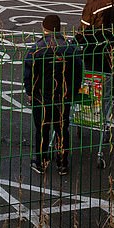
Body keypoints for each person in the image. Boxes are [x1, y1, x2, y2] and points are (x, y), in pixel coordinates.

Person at [23, 15, 83, 176]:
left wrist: (30, 92)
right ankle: (62, 163)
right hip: (63, 96)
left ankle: (41, 162)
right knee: (62, 129)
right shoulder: (69, 48)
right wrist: (73, 91)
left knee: (42, 130)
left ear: (44, 28)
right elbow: (78, 72)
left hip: (41, 96)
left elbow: (29, 73)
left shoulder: (37, 48)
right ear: (59, 28)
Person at [77, 0, 114, 101]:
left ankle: (94, 97)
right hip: (108, 41)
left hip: (93, 43)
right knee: (107, 69)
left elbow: (84, 26)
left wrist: (76, 41)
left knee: (91, 71)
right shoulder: (113, 1)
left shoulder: (93, 4)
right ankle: (110, 95)